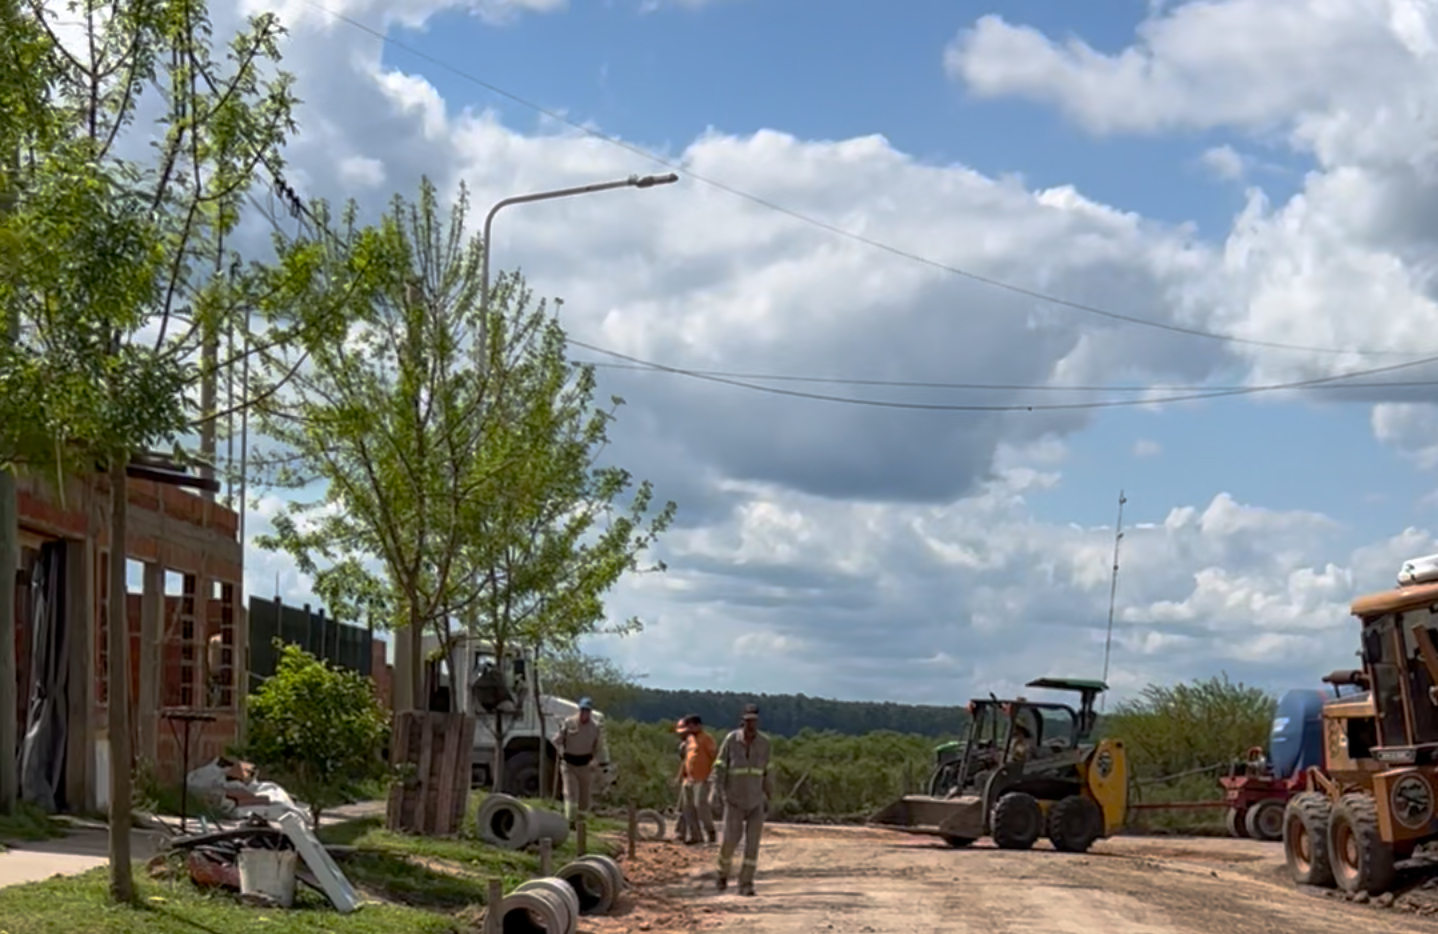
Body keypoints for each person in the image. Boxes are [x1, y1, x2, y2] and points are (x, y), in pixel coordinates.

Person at [713, 704, 773, 896]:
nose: (751, 724)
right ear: (742, 721)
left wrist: (769, 795)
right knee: (730, 840)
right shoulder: (731, 740)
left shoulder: (765, 743)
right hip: (734, 799)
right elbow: (720, 766)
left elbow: (768, 771)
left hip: (756, 800)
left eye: (754, 720)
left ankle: (746, 883)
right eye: (747, 720)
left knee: (752, 844)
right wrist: (717, 791)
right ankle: (722, 873)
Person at [553, 696, 606, 824]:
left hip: (585, 765)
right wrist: (559, 748)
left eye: (587, 711)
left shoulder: (595, 727)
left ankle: (581, 822)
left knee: (585, 796)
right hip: (569, 764)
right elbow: (557, 739)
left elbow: (599, 747)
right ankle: (569, 821)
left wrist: (596, 761)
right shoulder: (569, 722)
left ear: (590, 712)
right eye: (582, 710)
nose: (584, 713)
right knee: (571, 793)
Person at [677, 715, 718, 845]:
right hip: (689, 779)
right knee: (687, 808)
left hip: (703, 778)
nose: (688, 729)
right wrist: (680, 775)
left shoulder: (706, 739)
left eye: (690, 726)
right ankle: (696, 836)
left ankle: (710, 831)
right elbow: (687, 759)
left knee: (701, 806)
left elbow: (714, 756)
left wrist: (712, 774)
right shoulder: (689, 740)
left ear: (698, 725)